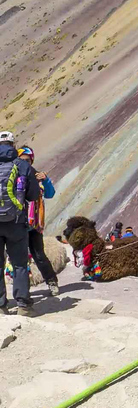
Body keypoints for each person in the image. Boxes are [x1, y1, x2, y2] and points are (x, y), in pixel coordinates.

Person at [0, 132, 41, 316]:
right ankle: (23, 305)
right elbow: (33, 195)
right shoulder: (23, 165)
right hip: (17, 222)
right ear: (13, 144)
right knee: (19, 264)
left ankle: (1, 306)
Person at [17, 146, 59, 296]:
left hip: (34, 225)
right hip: (18, 223)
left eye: (27, 160)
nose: (25, 163)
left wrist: (46, 181)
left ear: (32, 160)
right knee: (19, 259)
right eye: (21, 160)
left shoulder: (38, 176)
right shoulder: (14, 175)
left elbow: (50, 194)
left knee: (39, 256)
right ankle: (22, 290)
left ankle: (52, 282)